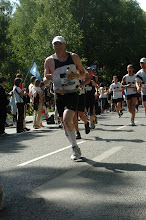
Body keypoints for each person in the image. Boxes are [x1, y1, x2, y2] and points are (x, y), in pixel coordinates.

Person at [44, 36, 85, 160]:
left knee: (67, 120)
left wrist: (76, 76)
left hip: (72, 92)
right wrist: (48, 78)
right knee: (64, 122)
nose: (57, 46)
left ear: (64, 45)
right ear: (53, 46)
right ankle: (75, 146)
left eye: (59, 44)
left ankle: (74, 148)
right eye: (55, 44)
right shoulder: (49, 61)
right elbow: (45, 79)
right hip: (59, 94)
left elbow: (83, 73)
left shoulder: (73, 57)